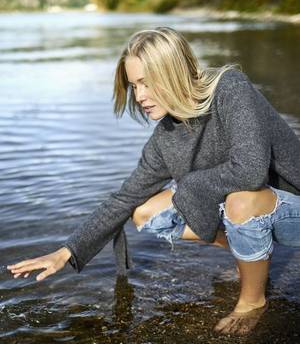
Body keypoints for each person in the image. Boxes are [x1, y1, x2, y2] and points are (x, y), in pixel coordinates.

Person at [7, 27, 300, 336]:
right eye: (134, 86)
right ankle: (250, 257)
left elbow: (250, 170)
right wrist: (67, 251)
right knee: (145, 212)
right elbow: (125, 198)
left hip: (292, 208)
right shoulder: (166, 138)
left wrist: (188, 188)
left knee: (239, 200)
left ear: (172, 72)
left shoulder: (230, 88)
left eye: (147, 83)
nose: (140, 96)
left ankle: (253, 301)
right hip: (252, 210)